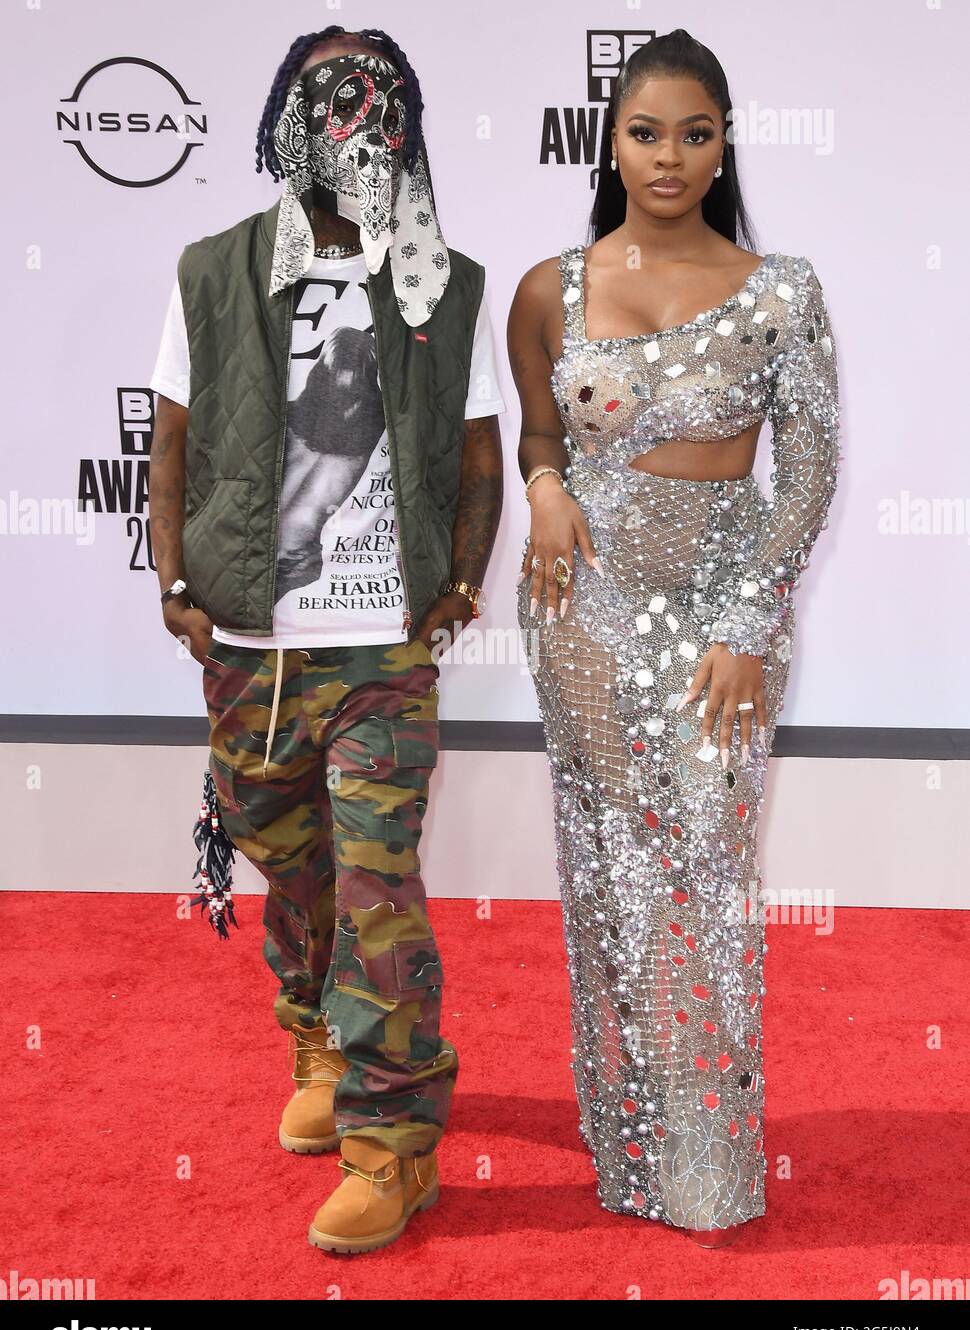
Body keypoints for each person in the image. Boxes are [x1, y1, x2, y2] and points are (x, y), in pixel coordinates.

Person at [147, 25, 504, 1255]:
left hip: (380, 654)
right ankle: (313, 1020)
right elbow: (175, 436)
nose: (352, 117)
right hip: (253, 636)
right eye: (326, 93)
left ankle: (393, 1141)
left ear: (403, 117)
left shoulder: (443, 282)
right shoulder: (212, 269)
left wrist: (460, 575)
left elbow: (474, 450)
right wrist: (172, 574)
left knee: (375, 879)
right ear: (288, 116)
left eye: (375, 94)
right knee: (287, 859)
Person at [507, 28, 840, 1248]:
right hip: (584, 606)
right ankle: (633, 1148)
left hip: (718, 606)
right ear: (609, 140)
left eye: (694, 132)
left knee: (701, 865)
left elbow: (808, 472)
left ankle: (707, 1160)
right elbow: (538, 434)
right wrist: (545, 488)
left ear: (723, 143)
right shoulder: (552, 286)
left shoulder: (782, 289)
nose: (668, 156)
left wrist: (751, 618)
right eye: (645, 131)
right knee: (610, 876)